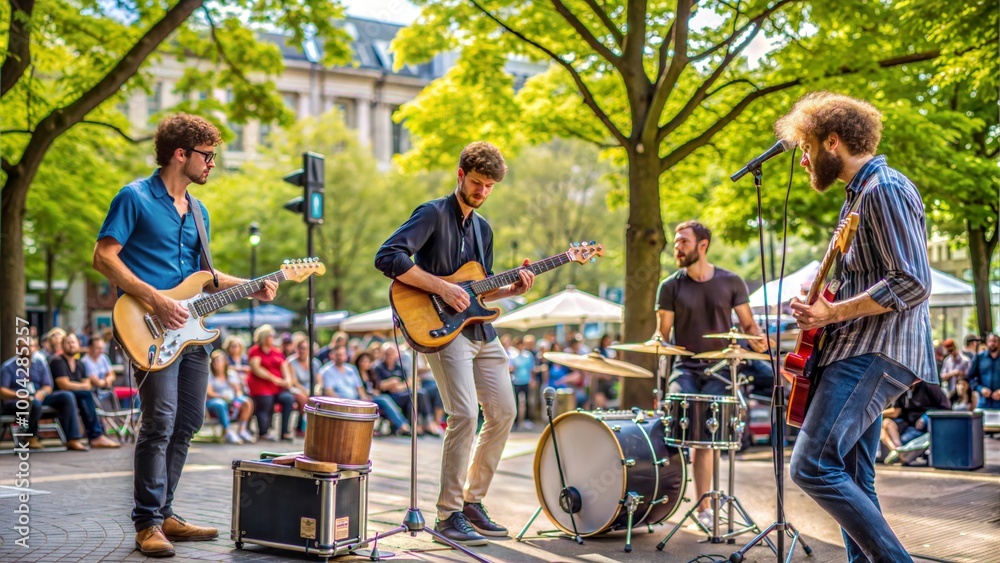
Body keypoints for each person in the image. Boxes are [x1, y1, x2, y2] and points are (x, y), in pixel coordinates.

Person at [93, 113, 278, 557]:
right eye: (207, 155)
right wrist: (155, 299)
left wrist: (250, 287)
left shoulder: (199, 211)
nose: (212, 163)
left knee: (189, 421)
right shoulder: (134, 197)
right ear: (181, 153)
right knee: (159, 420)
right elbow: (103, 257)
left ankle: (165, 513)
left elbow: (203, 278)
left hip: (192, 335)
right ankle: (147, 523)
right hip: (145, 325)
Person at [777, 92, 935, 562]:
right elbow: (870, 277)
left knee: (811, 466)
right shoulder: (859, 195)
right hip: (856, 348)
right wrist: (820, 304)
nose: (803, 160)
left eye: (806, 147)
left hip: (874, 350)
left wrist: (832, 313)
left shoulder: (883, 188)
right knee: (851, 474)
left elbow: (913, 282)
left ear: (832, 141)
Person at [374, 141, 534, 547]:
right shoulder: (432, 213)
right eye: (477, 183)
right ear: (460, 175)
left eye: (490, 186)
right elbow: (388, 257)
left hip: (481, 332)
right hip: (442, 330)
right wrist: (441, 288)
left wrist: (512, 288)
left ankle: (472, 502)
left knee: (504, 412)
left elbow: (480, 289)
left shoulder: (484, 229)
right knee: (463, 414)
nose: (482, 192)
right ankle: (447, 515)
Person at [650, 220, 769, 529]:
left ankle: (705, 508)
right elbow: (662, 334)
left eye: (684, 242)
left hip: (720, 370)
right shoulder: (670, 286)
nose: (677, 247)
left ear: (703, 246)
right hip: (685, 368)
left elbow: (749, 327)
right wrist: (657, 342)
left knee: (706, 436)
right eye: (676, 242)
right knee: (679, 421)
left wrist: (760, 342)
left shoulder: (731, 281)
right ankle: (677, 500)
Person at [1, 338, 88, 451]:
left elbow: (48, 385)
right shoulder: (8, 367)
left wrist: (42, 392)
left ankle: (72, 439)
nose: (28, 349)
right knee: (34, 403)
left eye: (31, 346)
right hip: (17, 401)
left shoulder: (40, 364)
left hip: (39, 397)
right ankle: (30, 437)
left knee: (67, 396)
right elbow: (2, 390)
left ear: (36, 348)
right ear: (18, 348)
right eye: (24, 346)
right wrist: (20, 395)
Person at [49, 334, 121, 449]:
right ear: (62, 345)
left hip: (74, 396)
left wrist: (77, 385)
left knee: (85, 394)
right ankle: (74, 439)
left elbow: (87, 386)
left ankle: (96, 436)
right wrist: (81, 385)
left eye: (73, 342)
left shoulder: (79, 364)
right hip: (56, 397)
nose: (71, 345)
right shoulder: (57, 361)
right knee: (70, 395)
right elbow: (63, 385)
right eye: (68, 342)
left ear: (79, 344)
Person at [880, 381, 950, 464]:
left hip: (928, 424)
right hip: (910, 426)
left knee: (914, 433)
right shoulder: (903, 388)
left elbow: (946, 407)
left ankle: (901, 454)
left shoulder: (928, 385)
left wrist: (926, 417)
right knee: (886, 425)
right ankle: (897, 451)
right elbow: (898, 411)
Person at [247, 324, 296, 442]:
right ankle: (263, 432)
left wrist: (288, 380)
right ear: (263, 337)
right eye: (270, 335)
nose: (273, 338)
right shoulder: (255, 351)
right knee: (266, 401)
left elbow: (284, 365)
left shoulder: (276, 351)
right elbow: (256, 368)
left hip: (277, 388)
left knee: (288, 399)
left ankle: (284, 432)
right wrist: (274, 378)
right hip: (261, 387)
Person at [205, 350, 254, 444]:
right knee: (221, 403)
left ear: (225, 362)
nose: (217, 363)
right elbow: (209, 393)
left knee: (246, 401)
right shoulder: (210, 375)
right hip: (214, 402)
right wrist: (221, 396)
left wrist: (238, 398)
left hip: (232, 400)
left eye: (219, 361)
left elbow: (238, 390)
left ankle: (242, 430)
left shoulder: (231, 374)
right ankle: (228, 432)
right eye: (215, 361)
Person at [968, 332, 999, 409]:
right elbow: (970, 378)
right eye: (990, 341)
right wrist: (980, 389)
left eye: (995, 341)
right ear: (987, 342)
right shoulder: (979, 358)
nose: (992, 343)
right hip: (983, 402)